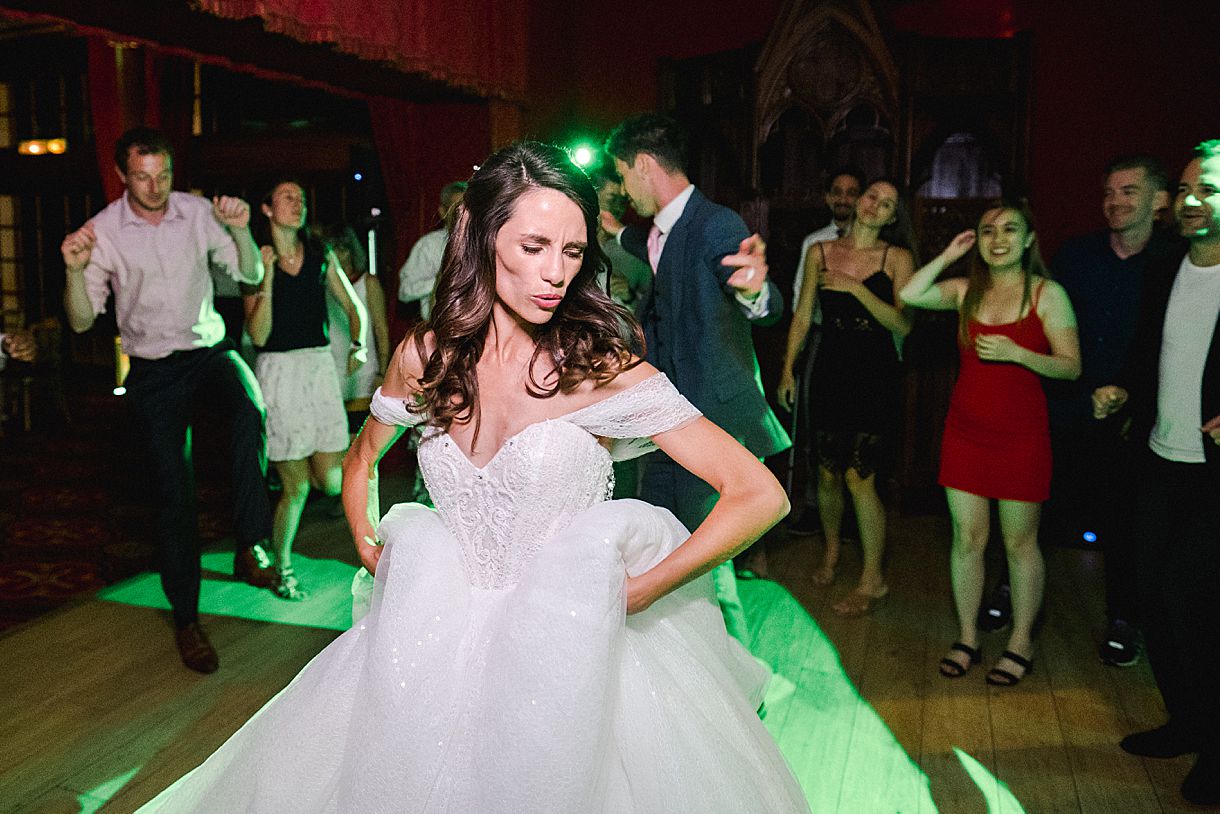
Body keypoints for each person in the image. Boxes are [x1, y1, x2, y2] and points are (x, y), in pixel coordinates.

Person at [134, 141, 811, 813]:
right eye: (535, 247)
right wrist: (370, 546)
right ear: (483, 239)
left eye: (573, 253)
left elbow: (758, 493)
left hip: (569, 651)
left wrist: (637, 592)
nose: (556, 274)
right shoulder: (425, 356)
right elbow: (362, 458)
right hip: (432, 635)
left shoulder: (597, 366)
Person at [60, 126, 275, 674]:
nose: (154, 188)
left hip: (206, 354)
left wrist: (242, 229)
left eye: (163, 176)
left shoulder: (196, 212)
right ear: (120, 175)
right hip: (153, 372)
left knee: (250, 407)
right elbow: (82, 320)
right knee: (173, 498)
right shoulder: (102, 232)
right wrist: (74, 269)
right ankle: (187, 620)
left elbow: (250, 273)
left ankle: (252, 542)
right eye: (142, 177)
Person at [603, 113, 790, 644]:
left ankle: (736, 672)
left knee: (704, 552)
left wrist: (757, 291)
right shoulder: (662, 231)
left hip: (711, 418)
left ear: (642, 165)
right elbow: (655, 252)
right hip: (666, 421)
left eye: (622, 175)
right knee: (664, 540)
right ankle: (686, 657)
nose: (623, 189)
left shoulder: (716, 223)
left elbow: (765, 304)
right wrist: (613, 230)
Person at [998, 155, 1176, 667]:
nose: (1115, 202)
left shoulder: (1173, 261)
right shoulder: (1076, 255)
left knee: (1127, 522)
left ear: (1159, 200)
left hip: (1133, 417)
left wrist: (1127, 392)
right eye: (1109, 193)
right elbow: (1046, 321)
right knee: (1036, 510)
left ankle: (1123, 619)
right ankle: (1010, 592)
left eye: (1128, 191)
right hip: (1064, 406)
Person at [899, 199, 1080, 686]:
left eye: (1009, 229)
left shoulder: (1048, 294)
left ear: (1027, 240)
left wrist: (1019, 352)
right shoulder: (965, 290)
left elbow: (1071, 366)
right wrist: (947, 255)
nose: (997, 238)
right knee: (967, 540)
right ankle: (967, 636)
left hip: (1022, 437)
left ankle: (1021, 640)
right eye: (986, 231)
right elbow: (911, 293)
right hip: (965, 433)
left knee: (1020, 543)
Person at [1094, 140, 1220, 806]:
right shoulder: (1167, 262)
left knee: (1195, 601)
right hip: (1160, 454)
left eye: (1212, 190)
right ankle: (1188, 723)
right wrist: (1120, 388)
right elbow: (1150, 347)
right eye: (1190, 188)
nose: (1196, 200)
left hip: (1214, 473)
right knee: (1153, 596)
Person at [777, 179, 915, 616]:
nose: (875, 206)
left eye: (887, 204)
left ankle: (873, 577)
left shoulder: (897, 258)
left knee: (861, 475)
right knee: (827, 472)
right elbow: (802, 315)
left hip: (875, 371)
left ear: (893, 217)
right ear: (859, 202)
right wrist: (787, 370)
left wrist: (857, 289)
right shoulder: (819, 252)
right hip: (831, 367)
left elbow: (903, 325)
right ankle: (833, 550)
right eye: (872, 196)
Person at [244, 180, 365, 600]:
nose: (298, 204)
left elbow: (354, 307)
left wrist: (359, 343)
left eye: (302, 197)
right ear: (266, 208)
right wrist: (269, 276)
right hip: (278, 372)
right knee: (295, 487)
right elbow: (258, 336)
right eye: (288, 197)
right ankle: (284, 566)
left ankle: (365, 454)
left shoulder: (320, 254)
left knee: (331, 483)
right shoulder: (255, 264)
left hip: (317, 369)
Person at [787, 168, 864, 534]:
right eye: (838, 191)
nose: (844, 198)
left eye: (852, 192)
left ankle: (854, 513)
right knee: (816, 426)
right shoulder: (815, 242)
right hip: (823, 334)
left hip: (865, 344)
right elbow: (802, 298)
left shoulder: (882, 244)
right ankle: (818, 507)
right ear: (828, 197)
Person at [325, 224, 390, 429]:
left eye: (342, 249)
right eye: (333, 249)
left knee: (359, 440)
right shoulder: (323, 284)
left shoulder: (367, 282)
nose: (337, 255)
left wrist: (382, 372)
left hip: (363, 368)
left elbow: (381, 329)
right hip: (331, 369)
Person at [397, 180, 466, 321]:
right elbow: (405, 291)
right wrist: (446, 280)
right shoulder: (429, 245)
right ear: (443, 212)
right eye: (456, 208)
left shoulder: (487, 242)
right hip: (438, 330)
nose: (462, 214)